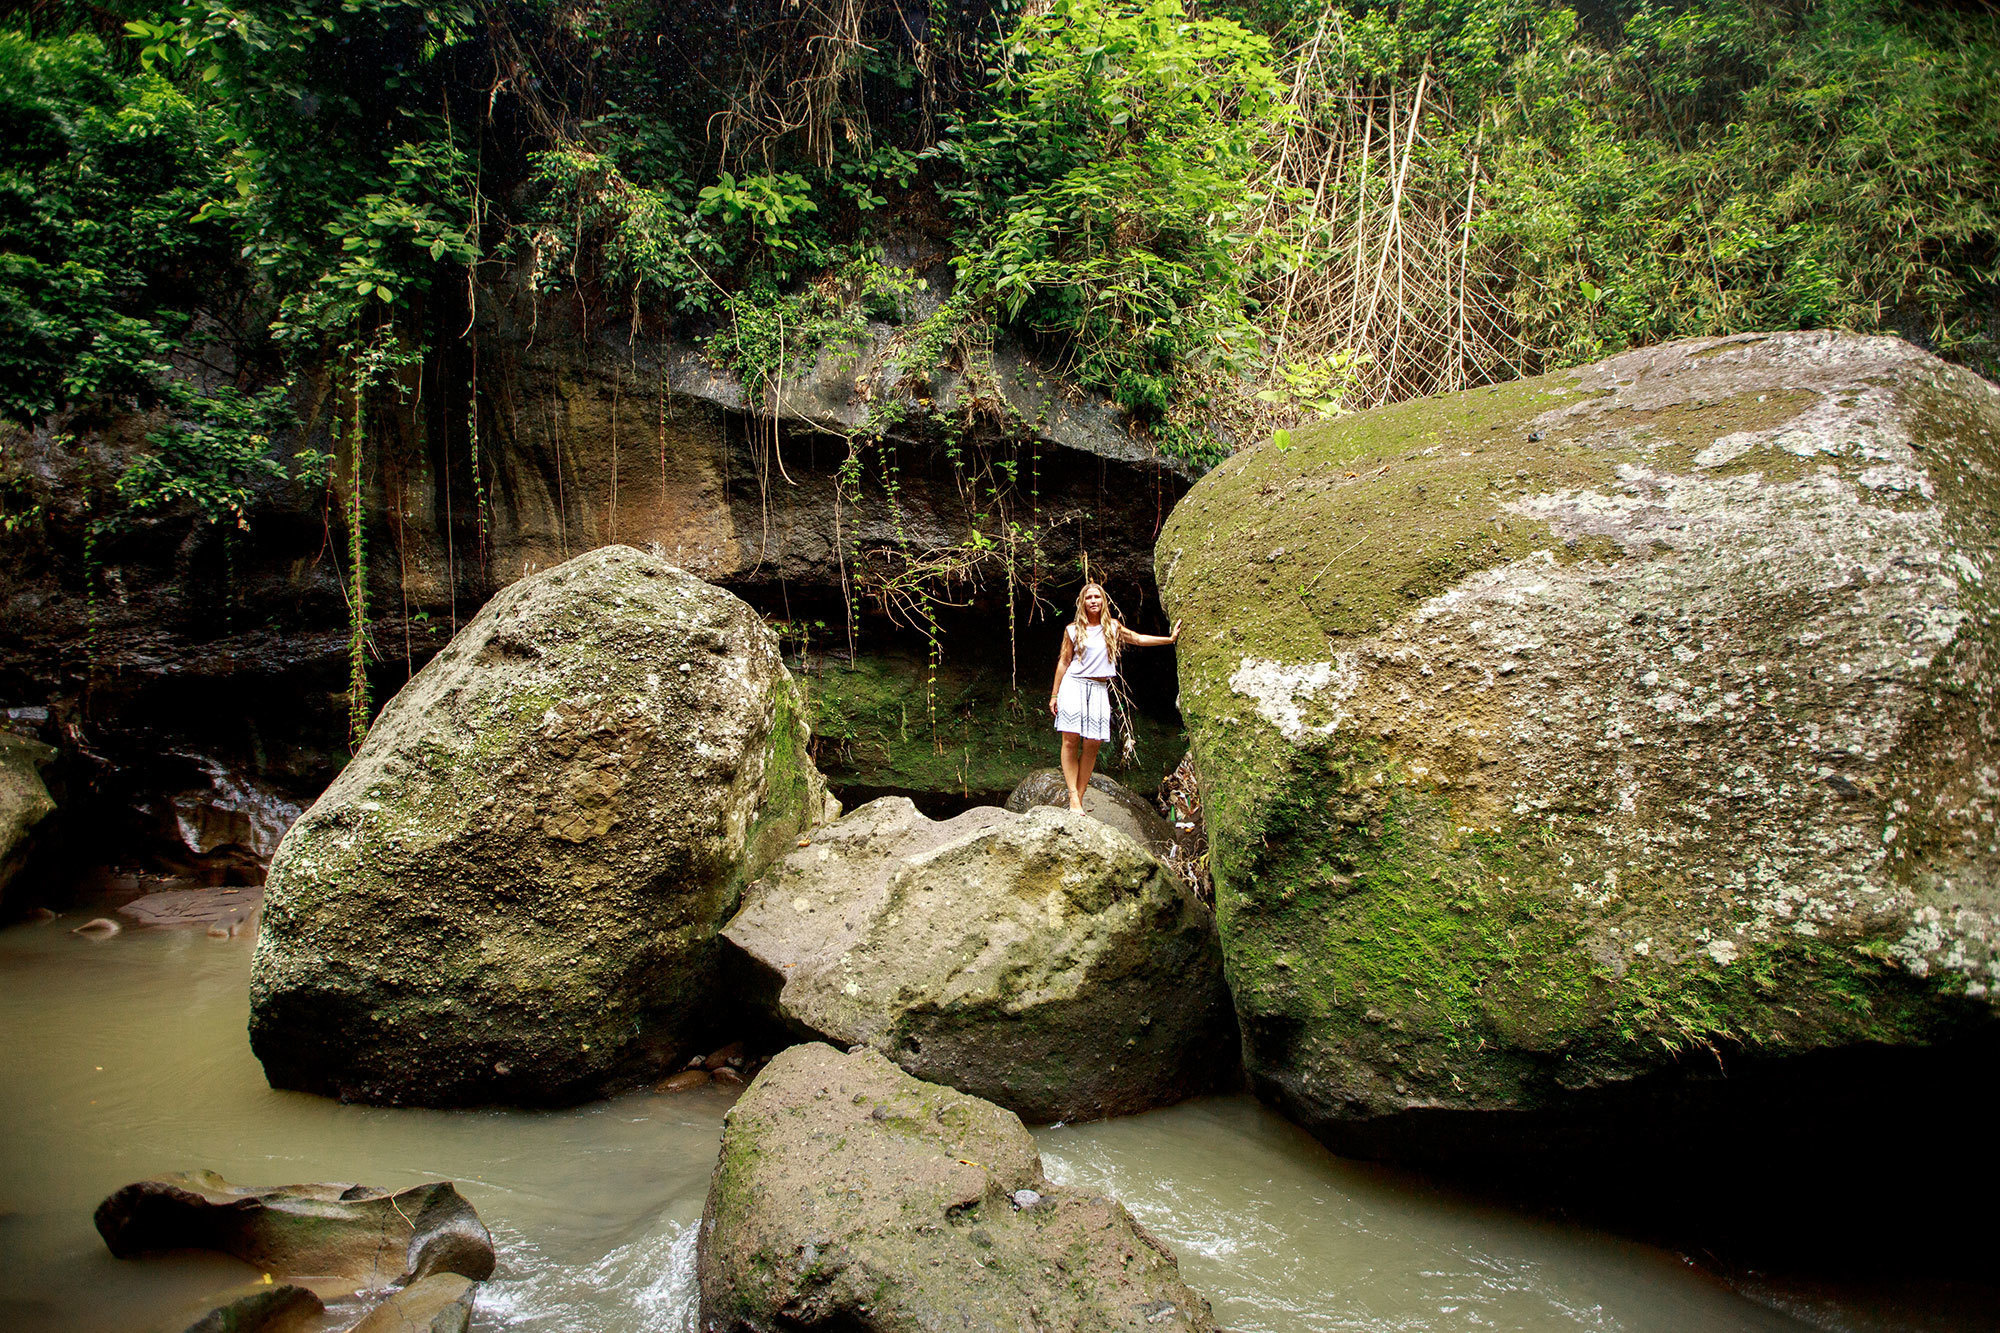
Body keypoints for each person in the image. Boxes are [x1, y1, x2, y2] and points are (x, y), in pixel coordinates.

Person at [1048, 582, 1180, 813]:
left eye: (1097, 597)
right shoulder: (1072, 630)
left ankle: (1080, 796)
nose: (1093, 601)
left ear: (1103, 601)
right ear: (1082, 602)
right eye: (1088, 597)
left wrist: (1169, 640)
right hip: (1074, 685)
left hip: (1099, 688)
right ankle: (1073, 798)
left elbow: (1138, 639)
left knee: (1093, 743)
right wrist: (1054, 694)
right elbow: (1063, 662)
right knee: (1070, 740)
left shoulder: (1113, 627)